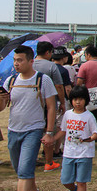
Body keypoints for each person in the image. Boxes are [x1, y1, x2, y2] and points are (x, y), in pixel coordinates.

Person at [0, 45, 57, 191]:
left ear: (31, 61)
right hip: (13, 130)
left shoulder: (43, 80)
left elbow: (51, 107)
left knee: (24, 169)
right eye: (15, 60)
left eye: (20, 60)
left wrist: (49, 132)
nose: (16, 64)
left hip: (34, 130)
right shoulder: (11, 81)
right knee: (21, 168)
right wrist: (1, 98)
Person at [53, 86, 97, 191]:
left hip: (85, 154)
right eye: (74, 99)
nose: (77, 102)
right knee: (65, 180)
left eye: (80, 99)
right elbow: (63, 130)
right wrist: (52, 139)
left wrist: (89, 139)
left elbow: (96, 133)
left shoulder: (89, 116)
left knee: (81, 181)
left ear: (86, 100)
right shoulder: (67, 114)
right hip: (69, 153)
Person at [33, 41, 65, 172]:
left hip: (32, 103)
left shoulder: (30, 63)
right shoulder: (51, 66)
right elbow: (59, 86)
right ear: (47, 52)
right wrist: (62, 102)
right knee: (48, 130)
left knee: (34, 129)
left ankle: (32, 158)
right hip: (48, 103)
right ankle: (48, 161)